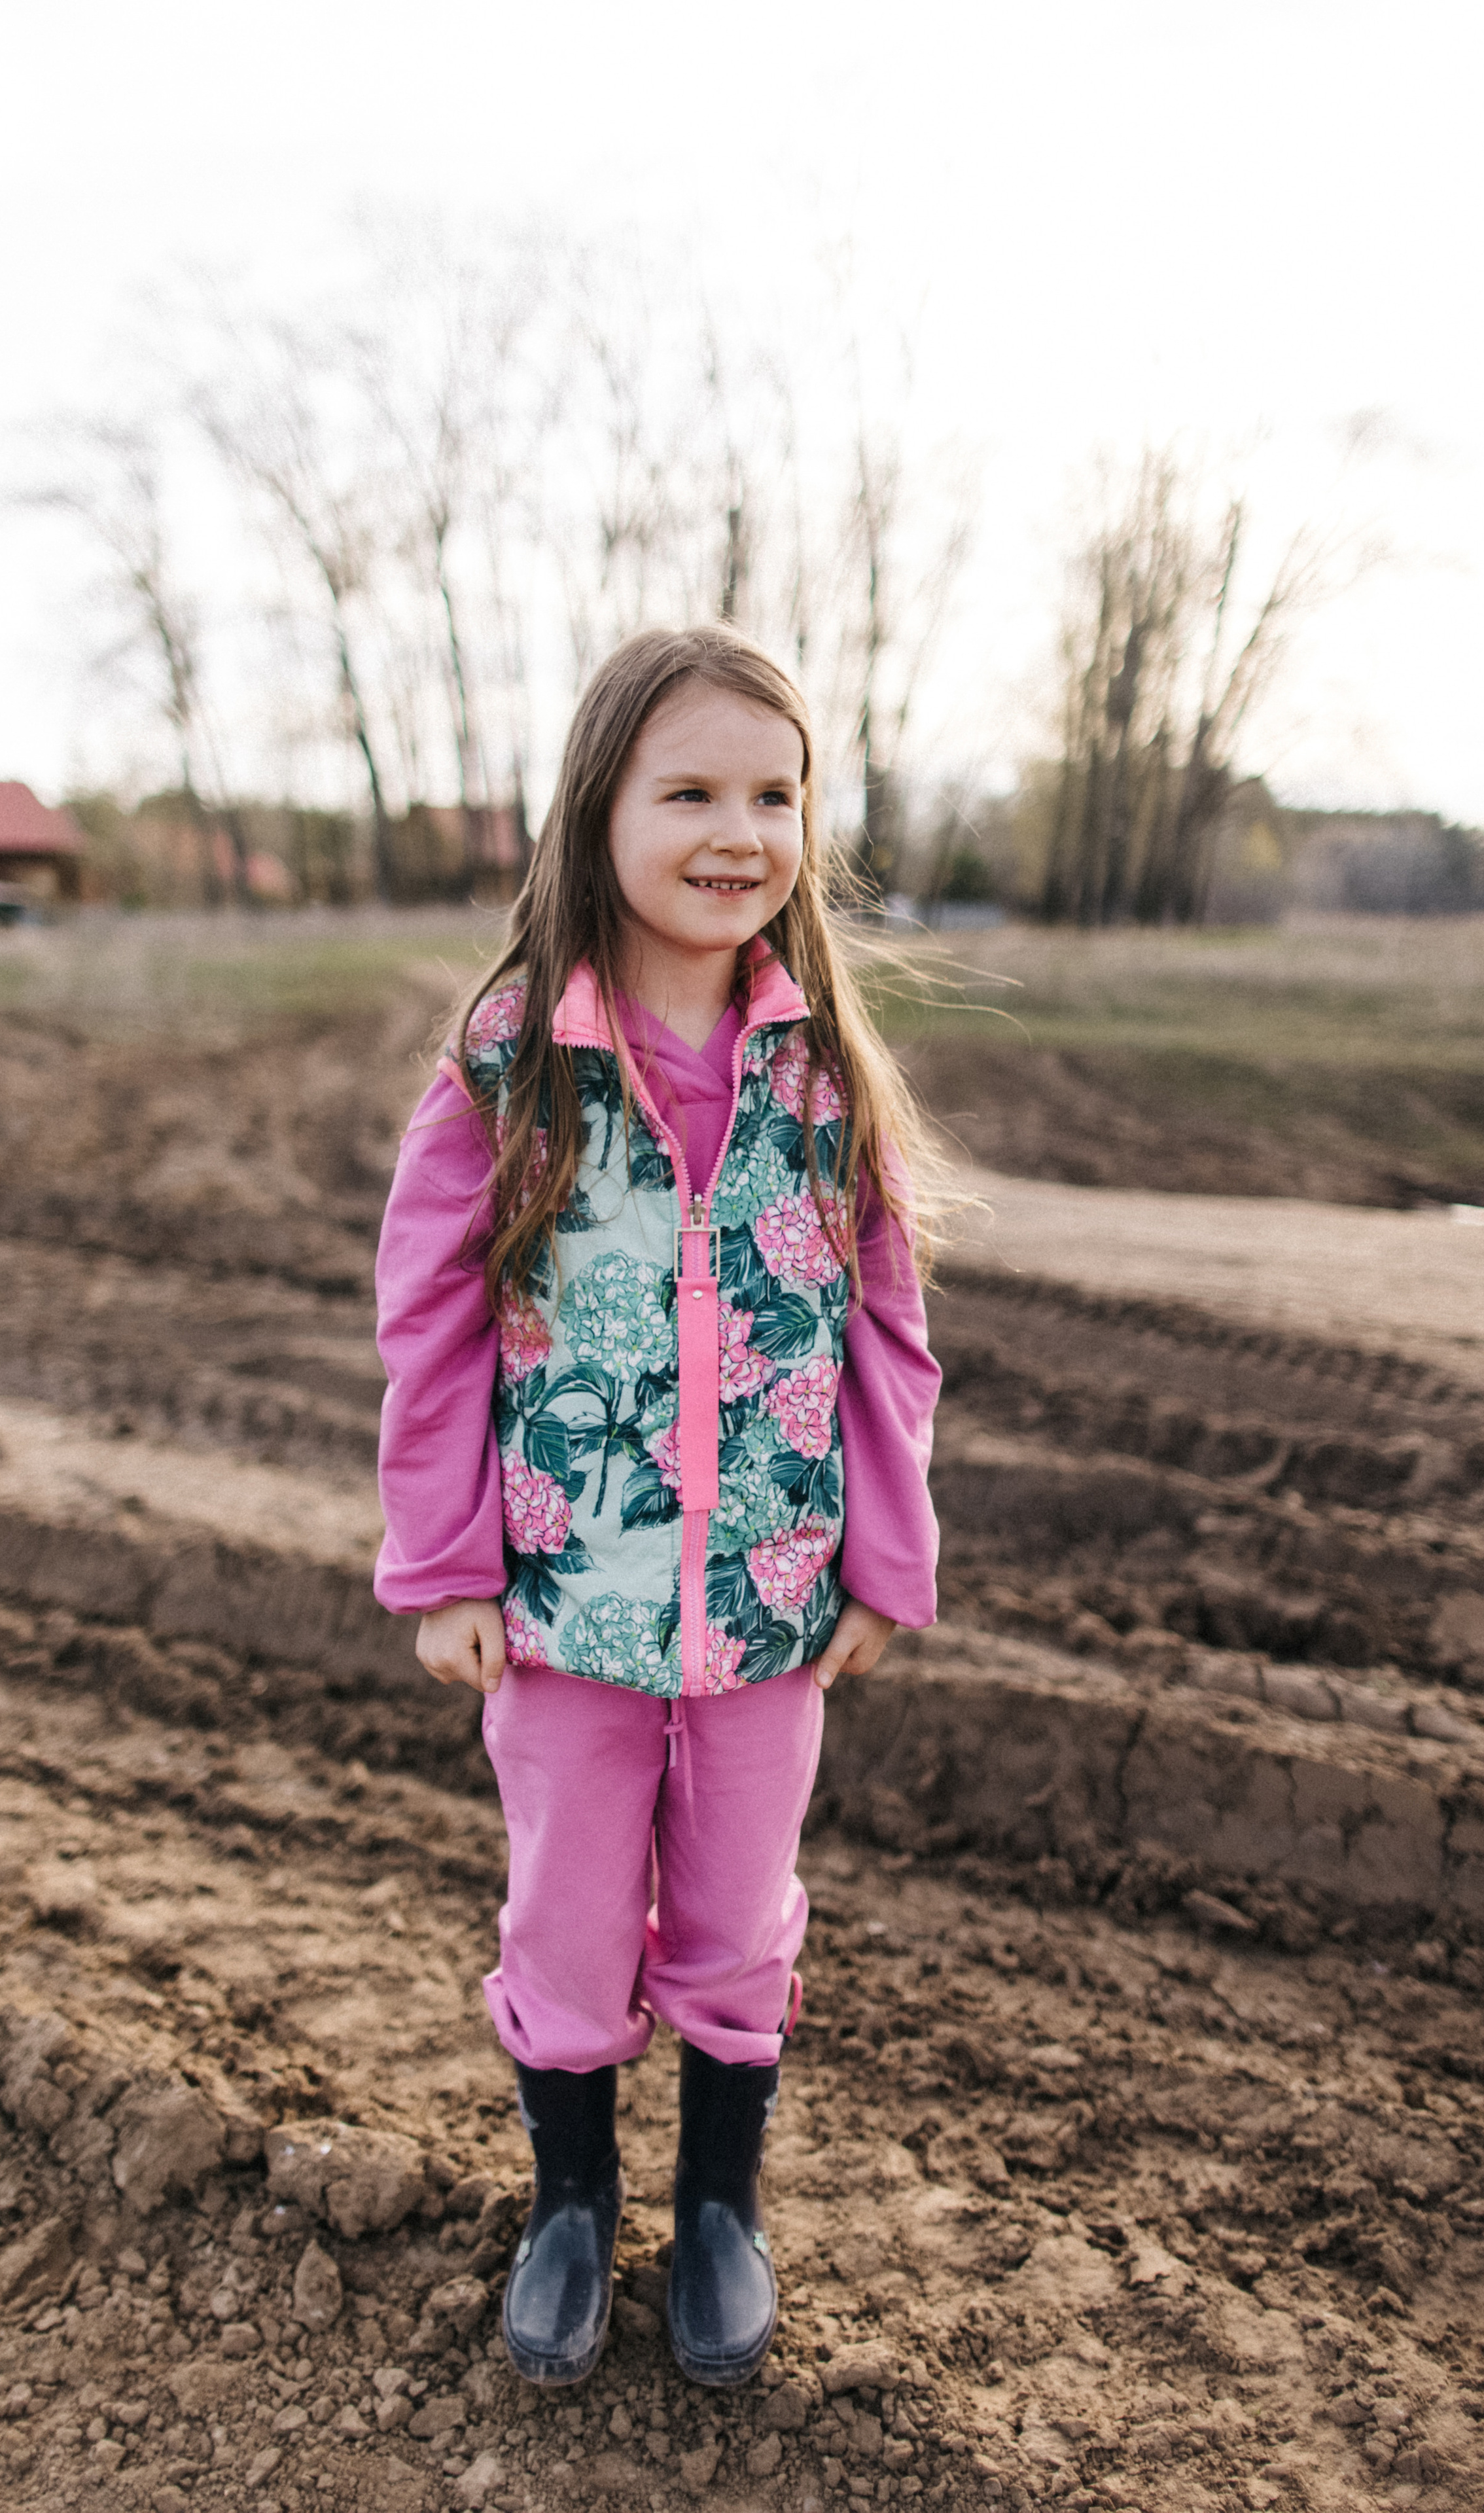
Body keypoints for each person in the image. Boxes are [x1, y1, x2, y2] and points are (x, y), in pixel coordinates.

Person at [374, 624, 943, 2390]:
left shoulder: (824, 1068)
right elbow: (434, 1318)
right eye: (688, 789)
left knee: (732, 1912)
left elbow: (891, 1329)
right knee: (562, 1913)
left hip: (770, 1605)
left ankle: (716, 2213)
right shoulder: (507, 1065)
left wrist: (884, 1549)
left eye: (775, 795)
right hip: (560, 1601)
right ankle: (568, 2208)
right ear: (596, 809)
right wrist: (446, 1558)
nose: (737, 830)